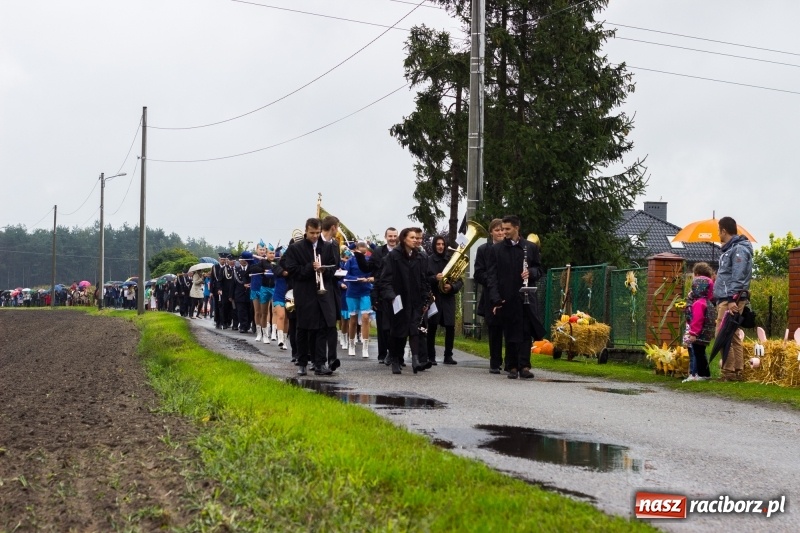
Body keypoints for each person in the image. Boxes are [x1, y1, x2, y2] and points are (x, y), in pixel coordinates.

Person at [486, 215, 545, 380]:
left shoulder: (530, 247)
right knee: (510, 331)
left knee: (526, 331)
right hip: (507, 296)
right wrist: (496, 298)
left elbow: (539, 269)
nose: (504, 232)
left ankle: (525, 366)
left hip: (526, 294)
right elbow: (492, 276)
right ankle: (511, 366)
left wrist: (531, 272)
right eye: (502, 229)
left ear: (516, 228)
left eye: (507, 229)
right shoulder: (496, 250)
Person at [282, 218, 339, 376]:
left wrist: (323, 270)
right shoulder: (295, 248)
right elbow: (292, 270)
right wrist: (310, 267)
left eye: (317, 232)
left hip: (323, 293)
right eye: (312, 233)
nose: (315, 236)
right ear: (306, 231)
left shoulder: (327, 247)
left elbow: (334, 267)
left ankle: (320, 363)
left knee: (321, 329)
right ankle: (302, 363)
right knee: (303, 328)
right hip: (304, 292)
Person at [376, 227, 431, 375]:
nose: (415, 240)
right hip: (398, 300)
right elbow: (384, 280)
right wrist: (391, 296)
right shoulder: (393, 256)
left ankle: (415, 360)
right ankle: (395, 359)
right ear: (404, 239)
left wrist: (426, 298)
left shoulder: (420, 257)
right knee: (398, 332)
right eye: (412, 238)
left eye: (416, 238)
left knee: (414, 329)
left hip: (415, 300)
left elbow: (424, 279)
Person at [713, 216, 753, 382]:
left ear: (724, 230)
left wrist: (730, 299)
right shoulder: (730, 249)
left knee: (722, 333)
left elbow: (737, 275)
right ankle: (737, 371)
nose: (718, 235)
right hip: (727, 297)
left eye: (718, 231)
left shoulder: (738, 250)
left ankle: (728, 372)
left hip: (731, 298)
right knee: (733, 334)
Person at [355, 227, 398, 364]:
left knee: (396, 325)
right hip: (380, 293)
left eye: (394, 236)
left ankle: (396, 355)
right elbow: (367, 268)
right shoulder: (378, 251)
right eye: (390, 236)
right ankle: (382, 354)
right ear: (386, 237)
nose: (392, 238)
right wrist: (359, 256)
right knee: (382, 325)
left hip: (397, 293)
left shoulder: (401, 251)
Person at [474, 218, 506, 374]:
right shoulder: (483, 250)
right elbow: (478, 274)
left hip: (508, 294)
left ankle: (510, 361)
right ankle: (495, 361)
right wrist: (493, 281)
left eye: (502, 230)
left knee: (509, 328)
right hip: (490, 294)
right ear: (491, 232)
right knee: (494, 328)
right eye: (497, 230)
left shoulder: (510, 248)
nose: (500, 233)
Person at [426, 235, 462, 365]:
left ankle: (448, 356)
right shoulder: (429, 260)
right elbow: (425, 278)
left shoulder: (451, 260)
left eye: (442, 244)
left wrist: (451, 286)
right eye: (438, 244)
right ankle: (431, 356)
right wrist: (435, 278)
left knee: (450, 327)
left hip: (448, 298)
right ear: (434, 246)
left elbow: (459, 281)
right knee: (432, 327)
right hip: (434, 297)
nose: (440, 246)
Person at [682, 262, 715, 382]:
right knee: (701, 353)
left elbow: (697, 319)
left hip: (698, 334)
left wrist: (693, 333)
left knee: (697, 353)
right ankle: (704, 374)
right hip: (705, 333)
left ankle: (699, 374)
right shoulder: (708, 302)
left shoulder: (698, 303)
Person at [344, 241, 375, 358]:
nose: (362, 251)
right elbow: (345, 275)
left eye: (364, 249)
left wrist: (369, 279)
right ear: (357, 249)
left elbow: (373, 272)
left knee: (366, 318)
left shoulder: (369, 259)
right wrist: (357, 278)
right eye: (360, 249)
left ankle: (365, 347)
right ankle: (351, 344)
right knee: (352, 319)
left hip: (365, 291)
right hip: (352, 292)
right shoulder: (351, 261)